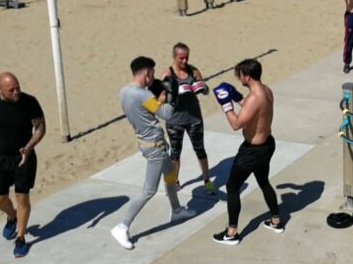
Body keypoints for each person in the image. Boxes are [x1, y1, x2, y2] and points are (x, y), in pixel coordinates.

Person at [112, 56, 194, 250]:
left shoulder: (125, 91)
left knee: (171, 174)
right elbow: (166, 114)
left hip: (147, 141)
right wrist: (170, 95)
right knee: (149, 191)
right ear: (147, 73)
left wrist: (157, 95)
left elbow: (146, 106)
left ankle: (176, 210)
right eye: (153, 73)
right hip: (154, 146)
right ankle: (122, 226)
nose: (154, 77)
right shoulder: (143, 96)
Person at [211, 59, 282, 245]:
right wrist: (235, 96)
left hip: (252, 151)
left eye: (240, 75)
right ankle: (276, 221)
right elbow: (254, 111)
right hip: (267, 144)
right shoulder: (266, 91)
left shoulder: (253, 99)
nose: (238, 78)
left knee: (232, 187)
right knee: (263, 181)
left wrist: (226, 104)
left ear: (247, 76)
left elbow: (236, 123)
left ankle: (232, 232)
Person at [0, 72, 46, 258]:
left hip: (23, 158)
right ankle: (12, 217)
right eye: (11, 89)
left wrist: (29, 147)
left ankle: (21, 238)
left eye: (18, 87)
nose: (16, 92)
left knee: (22, 198)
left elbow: (40, 127)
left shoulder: (29, 102)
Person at [163, 42, 214, 193]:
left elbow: (205, 89)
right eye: (181, 58)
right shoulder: (167, 74)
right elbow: (162, 97)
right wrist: (174, 93)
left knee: (200, 150)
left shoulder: (193, 71)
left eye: (186, 58)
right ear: (174, 57)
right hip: (175, 120)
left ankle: (207, 180)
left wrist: (203, 88)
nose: (184, 61)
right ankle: (175, 181)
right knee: (175, 153)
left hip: (194, 118)